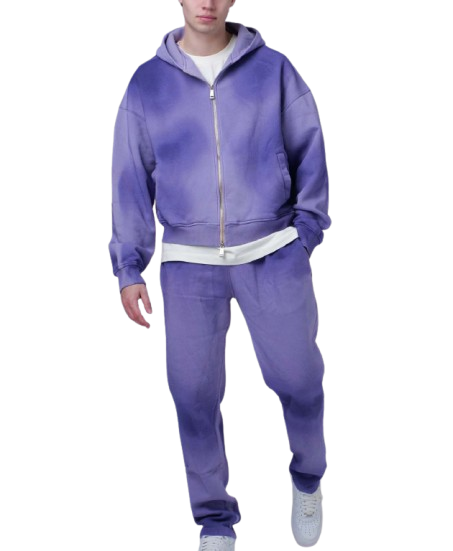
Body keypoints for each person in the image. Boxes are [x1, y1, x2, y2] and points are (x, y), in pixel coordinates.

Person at [108, 1, 332, 549]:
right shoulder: (147, 84)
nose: (206, 2)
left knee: (299, 379)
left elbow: (309, 148)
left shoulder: (274, 70)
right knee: (192, 394)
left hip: (273, 252)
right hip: (189, 264)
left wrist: (304, 232)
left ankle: (307, 478)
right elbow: (130, 176)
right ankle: (214, 520)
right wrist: (129, 266)